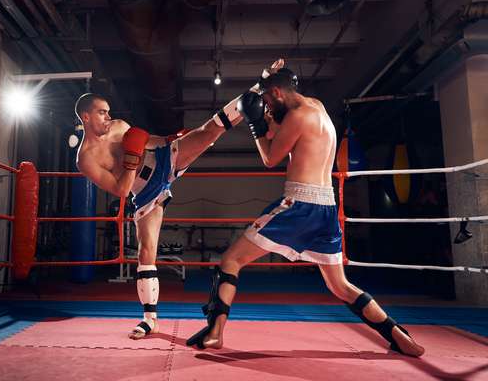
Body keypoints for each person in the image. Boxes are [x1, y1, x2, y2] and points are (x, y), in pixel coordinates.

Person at [186, 60, 425, 357]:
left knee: (231, 260)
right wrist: (265, 85)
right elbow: (279, 124)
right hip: (326, 208)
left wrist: (255, 124)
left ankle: (216, 332)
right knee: (340, 285)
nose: (267, 105)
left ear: (277, 92)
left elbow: (270, 158)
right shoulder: (316, 107)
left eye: (268, 99)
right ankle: (397, 334)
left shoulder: (298, 117)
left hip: (300, 206)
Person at [74, 82, 255, 339]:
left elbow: (147, 141)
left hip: (162, 161)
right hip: (145, 193)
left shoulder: (118, 126)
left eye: (108, 111)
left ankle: (257, 90)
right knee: (146, 253)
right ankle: (150, 321)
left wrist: (170, 140)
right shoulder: (86, 159)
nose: (108, 116)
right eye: (102, 112)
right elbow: (122, 190)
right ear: (86, 117)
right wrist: (131, 159)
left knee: (208, 132)